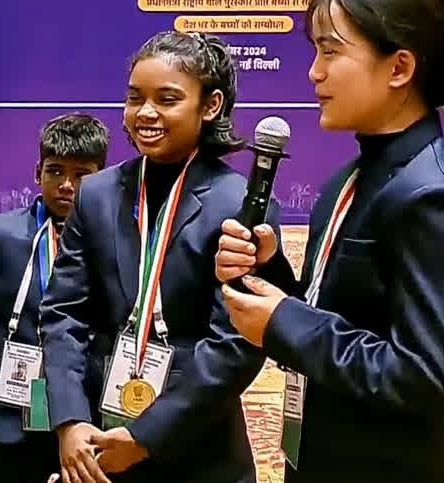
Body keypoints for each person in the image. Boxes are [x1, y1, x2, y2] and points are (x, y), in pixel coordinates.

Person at [216, 0, 444, 482]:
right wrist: (272, 276)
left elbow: (429, 378)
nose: (314, 71)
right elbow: (349, 314)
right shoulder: (352, 179)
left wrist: (283, 323)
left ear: (399, 68)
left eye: (331, 51)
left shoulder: (438, 195)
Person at [41, 31, 284, 483]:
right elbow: (62, 314)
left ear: (209, 106)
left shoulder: (241, 204)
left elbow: (235, 344)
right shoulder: (96, 194)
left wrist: (147, 437)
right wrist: (70, 421)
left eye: (167, 99)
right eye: (136, 99)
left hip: (198, 444)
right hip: (98, 440)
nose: (146, 113)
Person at [0, 113, 110, 483]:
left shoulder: (114, 241)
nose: (67, 185)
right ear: (37, 171)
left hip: (88, 410)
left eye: (82, 174)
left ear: (102, 178)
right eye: (55, 171)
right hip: (13, 405)